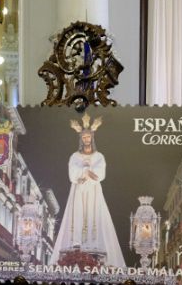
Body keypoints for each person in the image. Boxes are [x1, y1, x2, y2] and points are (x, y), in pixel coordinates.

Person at [49, 113, 126, 267]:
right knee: (77, 214)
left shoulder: (99, 156)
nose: (86, 139)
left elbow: (100, 174)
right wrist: (85, 173)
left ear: (92, 138)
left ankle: (94, 244)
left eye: (88, 137)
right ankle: (76, 244)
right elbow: (73, 175)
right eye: (83, 137)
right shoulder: (74, 156)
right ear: (81, 139)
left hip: (93, 191)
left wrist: (85, 170)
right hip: (78, 191)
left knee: (95, 216)